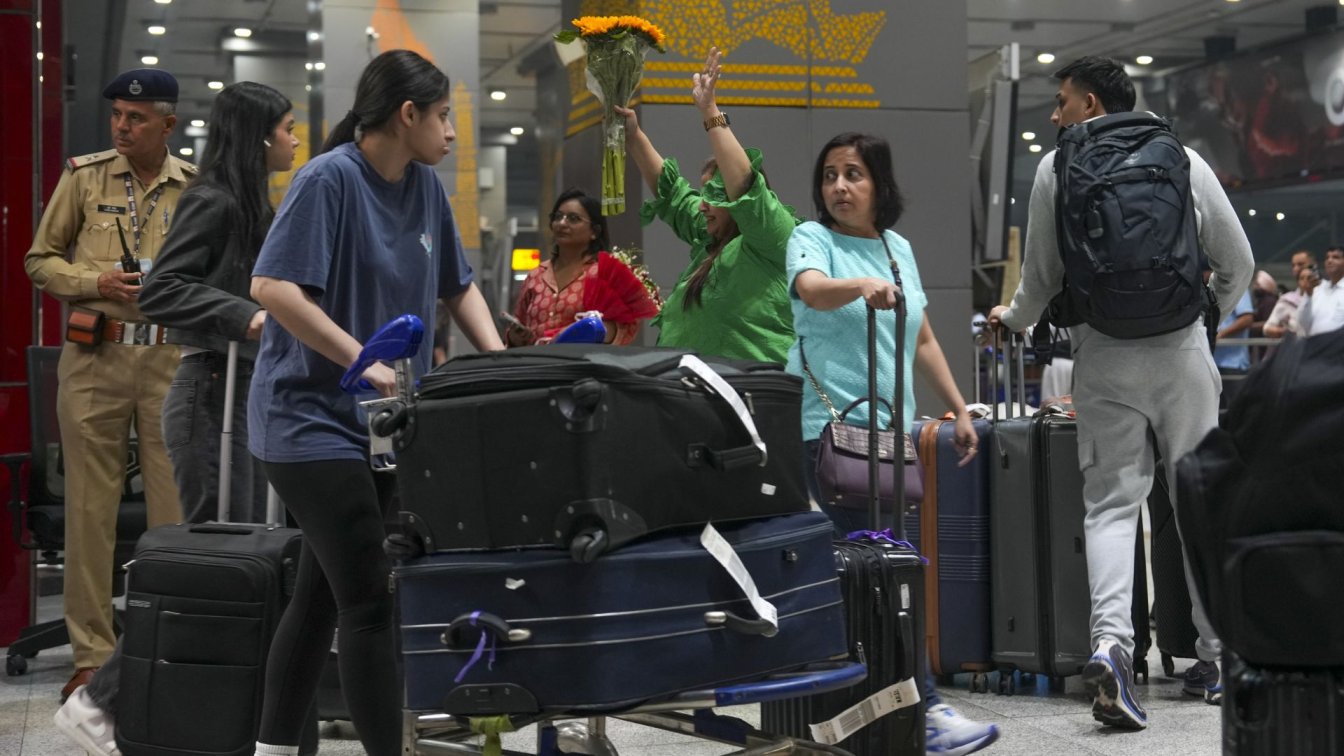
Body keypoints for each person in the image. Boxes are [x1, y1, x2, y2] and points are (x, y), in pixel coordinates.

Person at [246, 50, 504, 756]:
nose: (452, 132)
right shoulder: (328, 180)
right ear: (407, 114)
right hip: (305, 421)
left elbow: (459, 285)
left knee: (323, 594)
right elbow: (270, 289)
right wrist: (359, 358)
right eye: (444, 116)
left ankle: (270, 750)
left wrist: (503, 362)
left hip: (382, 426)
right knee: (369, 599)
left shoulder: (423, 186)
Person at [989, 56, 1254, 730]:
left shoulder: (1058, 169)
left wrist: (1012, 320)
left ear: (1094, 105)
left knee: (1110, 507)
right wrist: (1204, 312)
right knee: (1197, 501)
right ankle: (1219, 659)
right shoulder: (1183, 159)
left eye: (1063, 102)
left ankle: (1113, 647)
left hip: (1103, 354)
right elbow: (1239, 262)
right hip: (1183, 353)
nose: (1055, 115)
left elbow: (1042, 278)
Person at [52, 80, 306, 756]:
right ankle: (98, 702)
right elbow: (164, 288)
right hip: (207, 399)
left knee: (241, 565)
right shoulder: (215, 200)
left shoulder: (251, 202)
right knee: (212, 566)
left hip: (240, 397)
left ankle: (222, 714)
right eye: (286, 127)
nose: (294, 138)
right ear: (257, 135)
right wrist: (247, 317)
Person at [788, 132, 998, 756]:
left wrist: (959, 408)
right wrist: (860, 286)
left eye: (853, 174)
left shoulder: (896, 247)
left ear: (880, 183)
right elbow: (811, 289)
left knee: (884, 573)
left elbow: (924, 338)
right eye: (830, 175)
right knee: (882, 577)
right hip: (830, 435)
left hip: (890, 437)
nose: (839, 187)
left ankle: (873, 711)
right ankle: (921, 709)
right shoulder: (813, 239)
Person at [23, 68, 192, 702]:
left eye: (137, 118)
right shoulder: (84, 177)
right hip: (95, 363)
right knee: (88, 514)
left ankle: (167, 645)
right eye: (118, 114)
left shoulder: (194, 189)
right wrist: (96, 284)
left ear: (167, 125)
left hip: (170, 364)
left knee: (173, 517)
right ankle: (92, 656)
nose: (122, 126)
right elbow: (39, 259)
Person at [616, 47, 798, 363]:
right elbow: (673, 195)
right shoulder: (712, 236)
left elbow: (745, 188)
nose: (703, 205)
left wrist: (711, 112)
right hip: (702, 394)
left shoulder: (774, 236)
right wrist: (633, 136)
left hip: (754, 397)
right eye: (704, 195)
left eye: (715, 196)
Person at [506, 188, 658, 346]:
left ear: (594, 232)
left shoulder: (604, 274)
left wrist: (595, 329)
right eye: (558, 217)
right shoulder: (536, 275)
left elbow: (627, 327)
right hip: (537, 367)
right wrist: (515, 336)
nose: (562, 223)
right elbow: (518, 323)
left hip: (584, 366)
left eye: (573, 218)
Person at [1264, 264, 1320, 338]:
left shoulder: (1322, 299)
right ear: (1298, 282)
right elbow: (1267, 328)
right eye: (1302, 278)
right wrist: (1285, 332)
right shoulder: (1287, 301)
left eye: (1309, 278)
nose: (1306, 281)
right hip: (1295, 345)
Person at [1299, 245, 1344, 336]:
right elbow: (1304, 325)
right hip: (1315, 346)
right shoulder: (1317, 290)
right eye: (1327, 258)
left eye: (1336, 257)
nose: (1329, 261)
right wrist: (1308, 294)